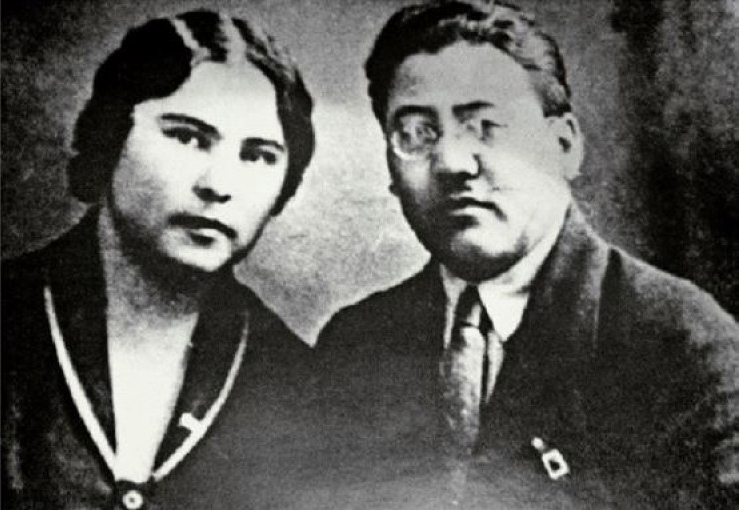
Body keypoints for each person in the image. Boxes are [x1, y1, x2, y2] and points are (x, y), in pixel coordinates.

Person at [314, 1, 738, 508]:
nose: (451, 163)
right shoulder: (353, 345)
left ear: (564, 145)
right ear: (389, 169)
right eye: (416, 134)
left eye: (484, 125)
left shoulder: (683, 344)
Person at [2, 10, 317, 509]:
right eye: (188, 137)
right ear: (111, 137)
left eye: (258, 155)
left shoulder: (297, 380)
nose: (219, 185)